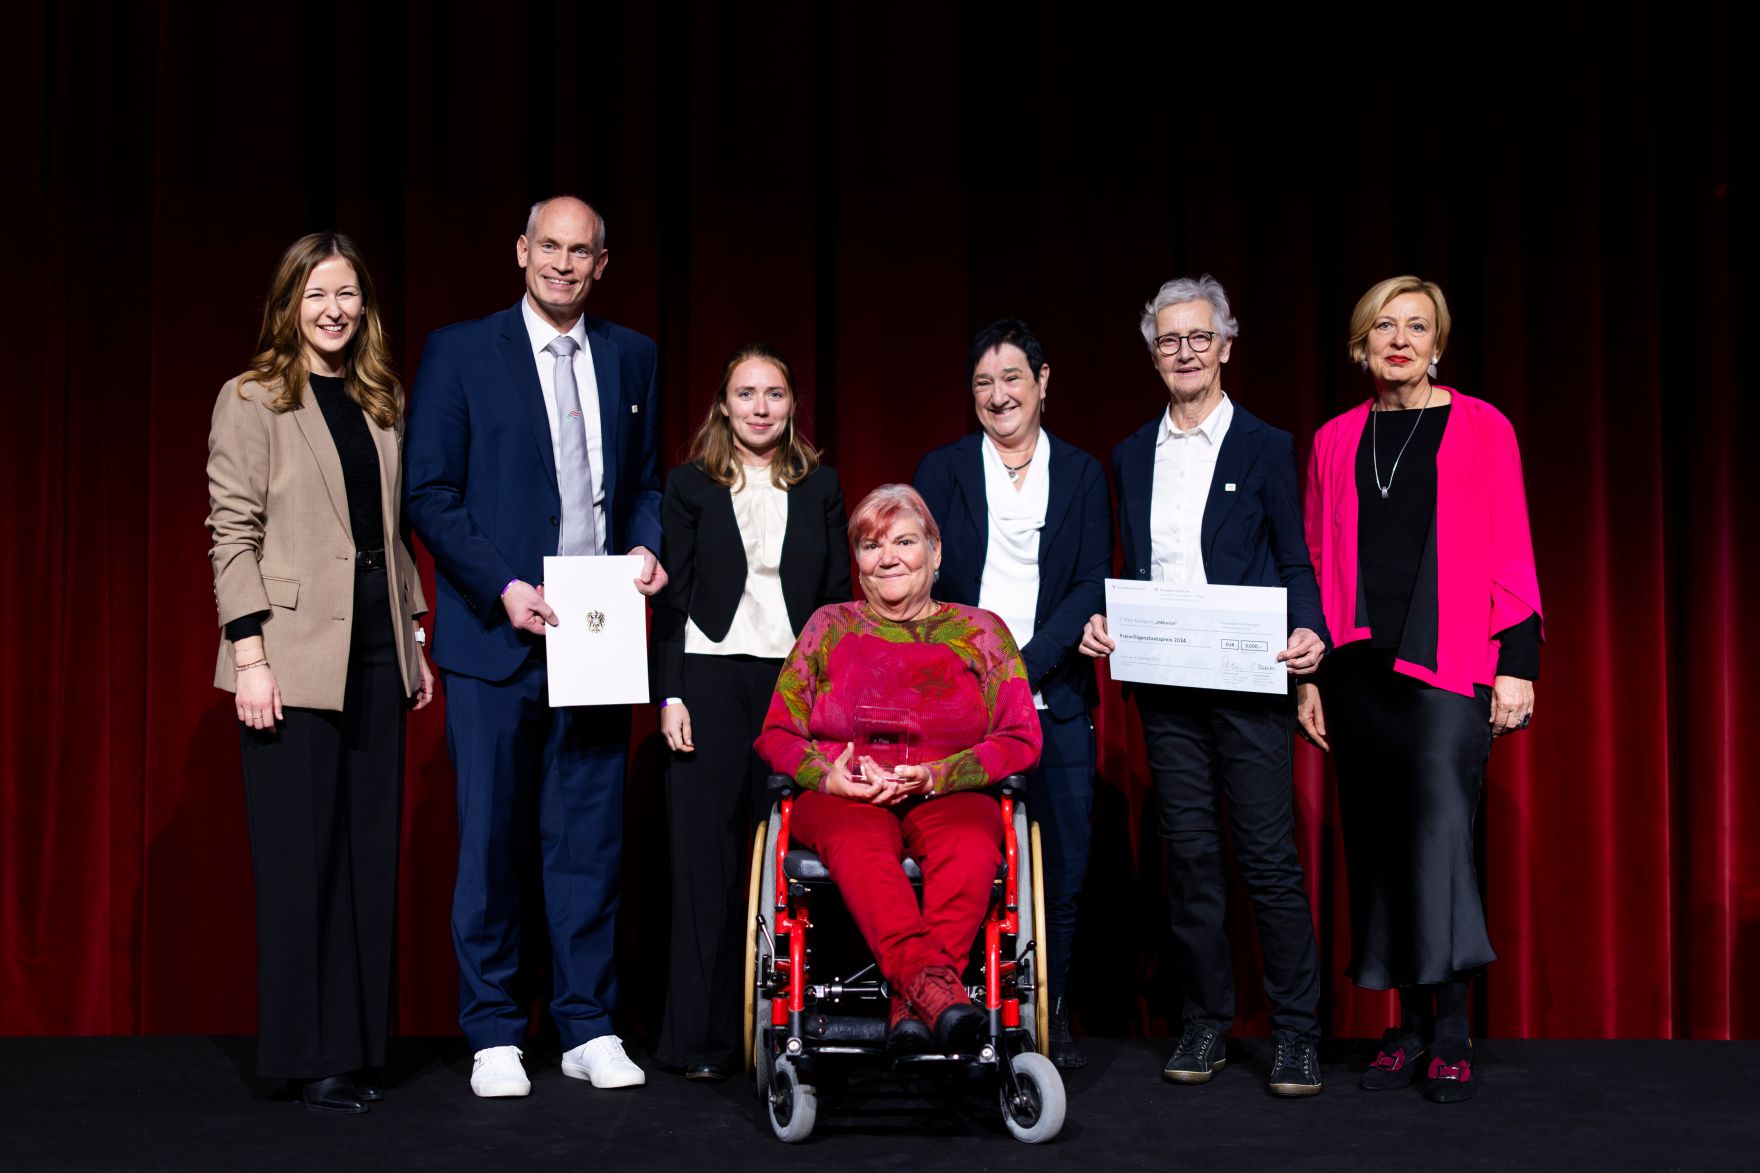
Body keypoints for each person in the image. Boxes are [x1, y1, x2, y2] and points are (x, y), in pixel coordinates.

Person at [404, 196, 666, 1098]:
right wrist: (504, 587)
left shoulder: (633, 356)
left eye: (580, 251)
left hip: (595, 637)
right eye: (547, 247)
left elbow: (643, 486)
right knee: (492, 843)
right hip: (497, 636)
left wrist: (647, 546)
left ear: (602, 262)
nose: (562, 263)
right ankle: (493, 1031)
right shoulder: (461, 350)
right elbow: (430, 493)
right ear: (521, 251)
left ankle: (588, 1023)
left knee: (588, 840)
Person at [1080, 275, 1329, 1096]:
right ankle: (1206, 1021)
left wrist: (1309, 628)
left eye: (1198, 338)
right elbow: (1136, 570)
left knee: (1266, 860)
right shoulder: (1128, 454)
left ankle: (1296, 1032)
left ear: (1226, 343)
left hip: (1250, 683)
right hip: (1166, 688)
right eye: (1168, 341)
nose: (1183, 353)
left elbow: (1294, 558)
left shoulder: (1264, 444)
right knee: (1189, 860)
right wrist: (1108, 622)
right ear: (1153, 355)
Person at [1297, 275, 1541, 1103]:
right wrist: (1313, 680)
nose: (1399, 339)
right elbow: (1317, 564)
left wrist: (1520, 659)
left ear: (1437, 345)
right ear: (1362, 343)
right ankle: (1401, 1024)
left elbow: (1511, 541)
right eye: (1383, 326)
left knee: (1439, 836)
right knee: (1376, 844)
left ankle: (1450, 1027)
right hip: (1358, 670)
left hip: (1449, 665)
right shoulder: (1335, 439)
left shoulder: (1483, 427)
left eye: (1417, 327)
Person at [207, 232, 435, 1114]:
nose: (334, 311)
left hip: (378, 651)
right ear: (288, 305)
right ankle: (309, 1056)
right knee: (303, 861)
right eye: (316, 297)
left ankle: (360, 1044)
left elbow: (386, 532)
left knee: (368, 855)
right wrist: (250, 654)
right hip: (290, 656)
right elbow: (232, 533)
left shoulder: (381, 399)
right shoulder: (252, 398)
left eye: (346, 295)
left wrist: (414, 632)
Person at [754, 485, 1042, 1053]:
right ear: (857, 561)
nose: (887, 557)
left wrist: (939, 774)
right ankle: (937, 998)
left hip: (948, 795)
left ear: (935, 551)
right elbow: (778, 732)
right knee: (860, 843)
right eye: (870, 545)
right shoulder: (829, 626)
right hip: (844, 797)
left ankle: (910, 1008)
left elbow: (1020, 737)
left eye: (905, 541)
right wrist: (827, 775)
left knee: (970, 843)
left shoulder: (980, 632)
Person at [912, 319, 1109, 1069]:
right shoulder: (944, 468)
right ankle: (953, 1006)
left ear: (1044, 381)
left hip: (1053, 696)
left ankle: (1044, 1012)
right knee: (959, 861)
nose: (1000, 397)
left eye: (1013, 379)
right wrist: (978, 670)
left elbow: (1091, 581)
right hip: (957, 704)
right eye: (984, 384)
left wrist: (1022, 667)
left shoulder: (1085, 474)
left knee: (1059, 864)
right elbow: (925, 581)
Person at [653, 344, 851, 1082]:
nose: (760, 406)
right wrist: (668, 693)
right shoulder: (688, 485)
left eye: (774, 393)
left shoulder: (822, 485)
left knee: (790, 866)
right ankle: (697, 1040)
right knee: (703, 865)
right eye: (746, 393)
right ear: (723, 404)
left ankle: (788, 1030)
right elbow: (671, 601)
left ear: (792, 405)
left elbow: (834, 599)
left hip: (790, 685)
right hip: (705, 681)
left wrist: (827, 704)